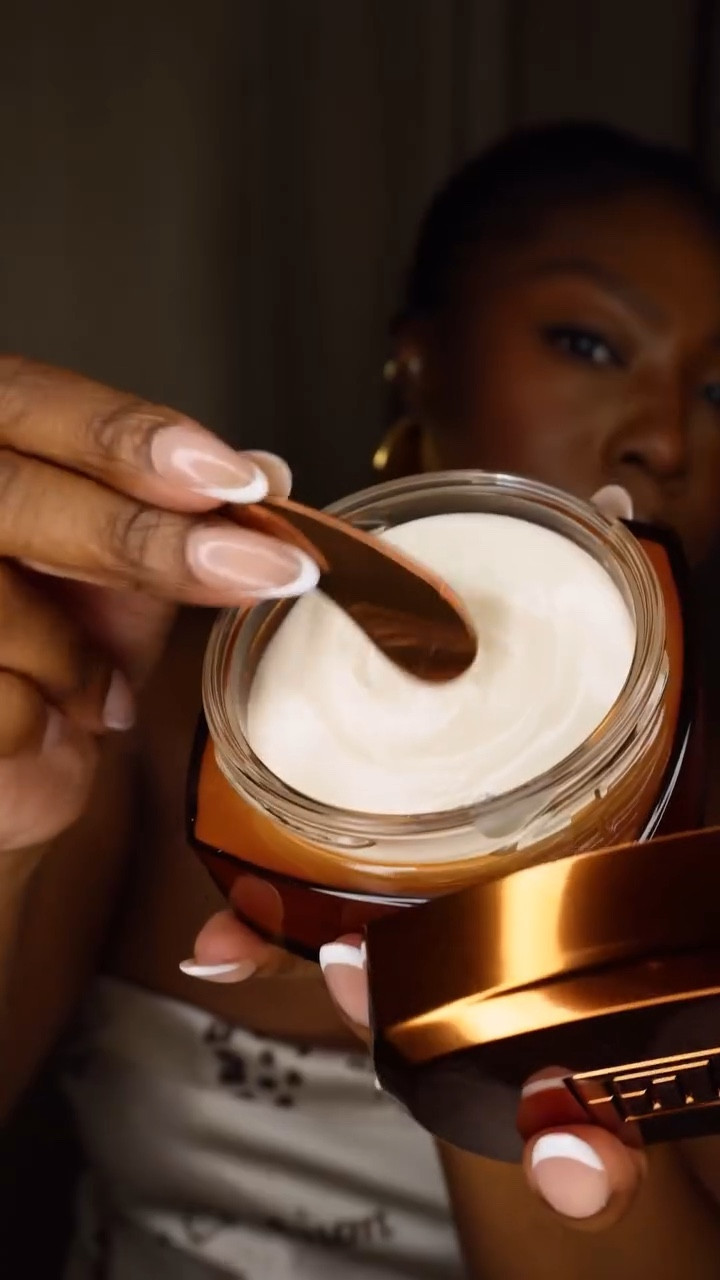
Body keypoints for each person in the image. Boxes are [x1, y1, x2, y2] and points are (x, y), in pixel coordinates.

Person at [4, 120, 720, 1279]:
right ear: (420, 358)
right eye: (589, 342)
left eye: (719, 388)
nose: (667, 437)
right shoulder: (136, 701)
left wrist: (500, 1048)